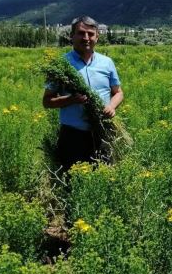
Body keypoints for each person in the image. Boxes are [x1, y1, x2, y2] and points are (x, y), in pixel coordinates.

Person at [42, 16, 124, 172]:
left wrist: (112, 106)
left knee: (105, 176)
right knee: (73, 181)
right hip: (73, 135)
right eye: (81, 33)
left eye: (91, 34)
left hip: (103, 132)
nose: (86, 38)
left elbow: (118, 93)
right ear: (71, 36)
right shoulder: (60, 65)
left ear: (97, 37)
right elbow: (47, 101)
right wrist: (71, 99)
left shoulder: (107, 63)